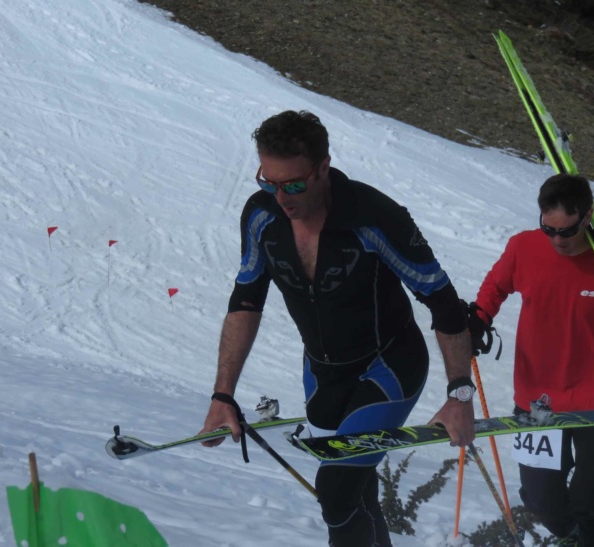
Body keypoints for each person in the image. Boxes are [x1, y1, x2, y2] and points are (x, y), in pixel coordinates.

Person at [198, 110, 475, 546]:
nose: (281, 197)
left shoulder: (374, 217)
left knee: (336, 490)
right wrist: (222, 395)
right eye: (269, 182)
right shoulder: (261, 216)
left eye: (293, 185)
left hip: (390, 367)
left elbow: (442, 300)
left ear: (323, 167)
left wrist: (460, 395)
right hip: (323, 374)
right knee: (356, 490)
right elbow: (246, 299)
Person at [469, 173, 594, 546]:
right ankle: (578, 539)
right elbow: (495, 287)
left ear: (588, 216)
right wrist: (479, 319)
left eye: (567, 231)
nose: (557, 240)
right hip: (539, 400)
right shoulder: (523, 247)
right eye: (548, 230)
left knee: (588, 499)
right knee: (540, 500)